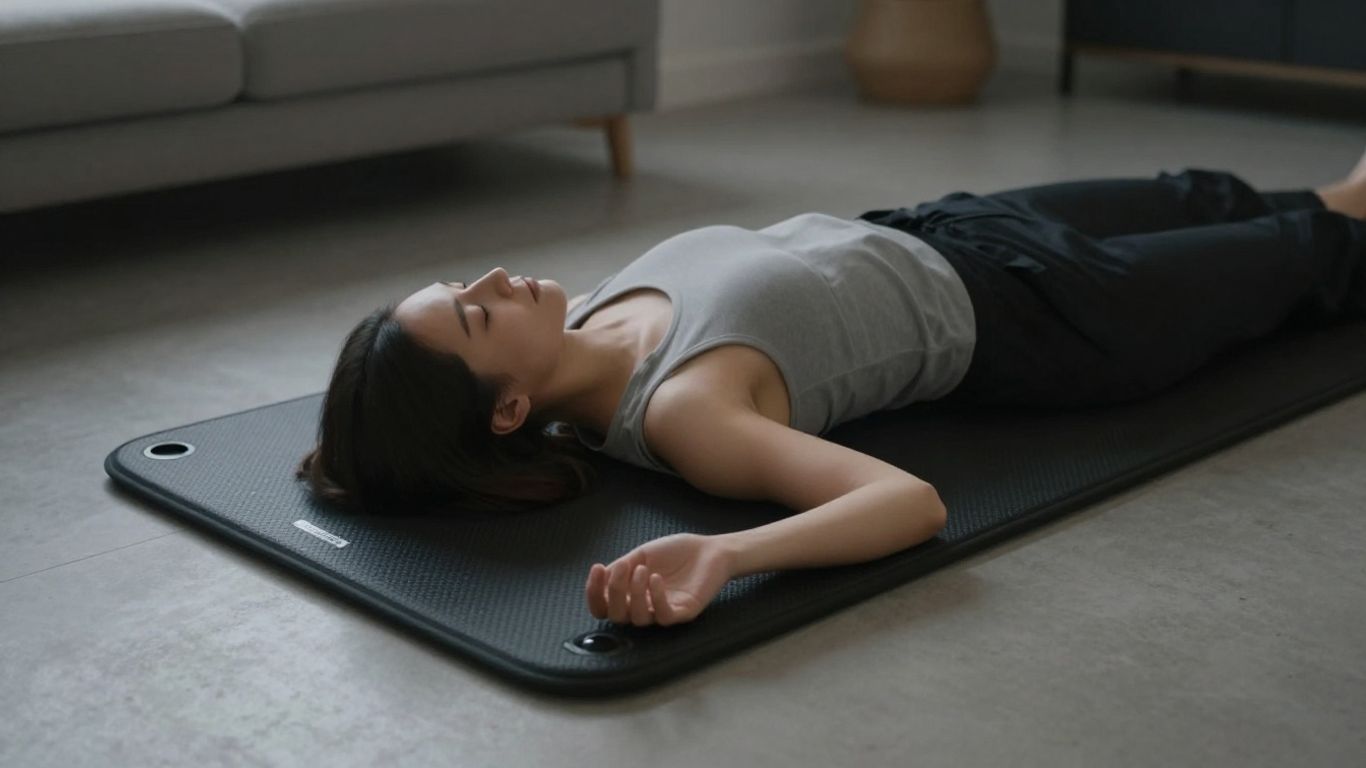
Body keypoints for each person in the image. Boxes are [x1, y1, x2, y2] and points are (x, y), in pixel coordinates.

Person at [297, 157, 1366, 628]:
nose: (492, 281)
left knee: (1204, 195)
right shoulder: (683, 412)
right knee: (1310, 250)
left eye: (463, 285)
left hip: (944, 227)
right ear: (507, 413)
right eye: (478, 314)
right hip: (1059, 318)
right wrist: (727, 553)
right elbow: (908, 502)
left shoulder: (590, 312)